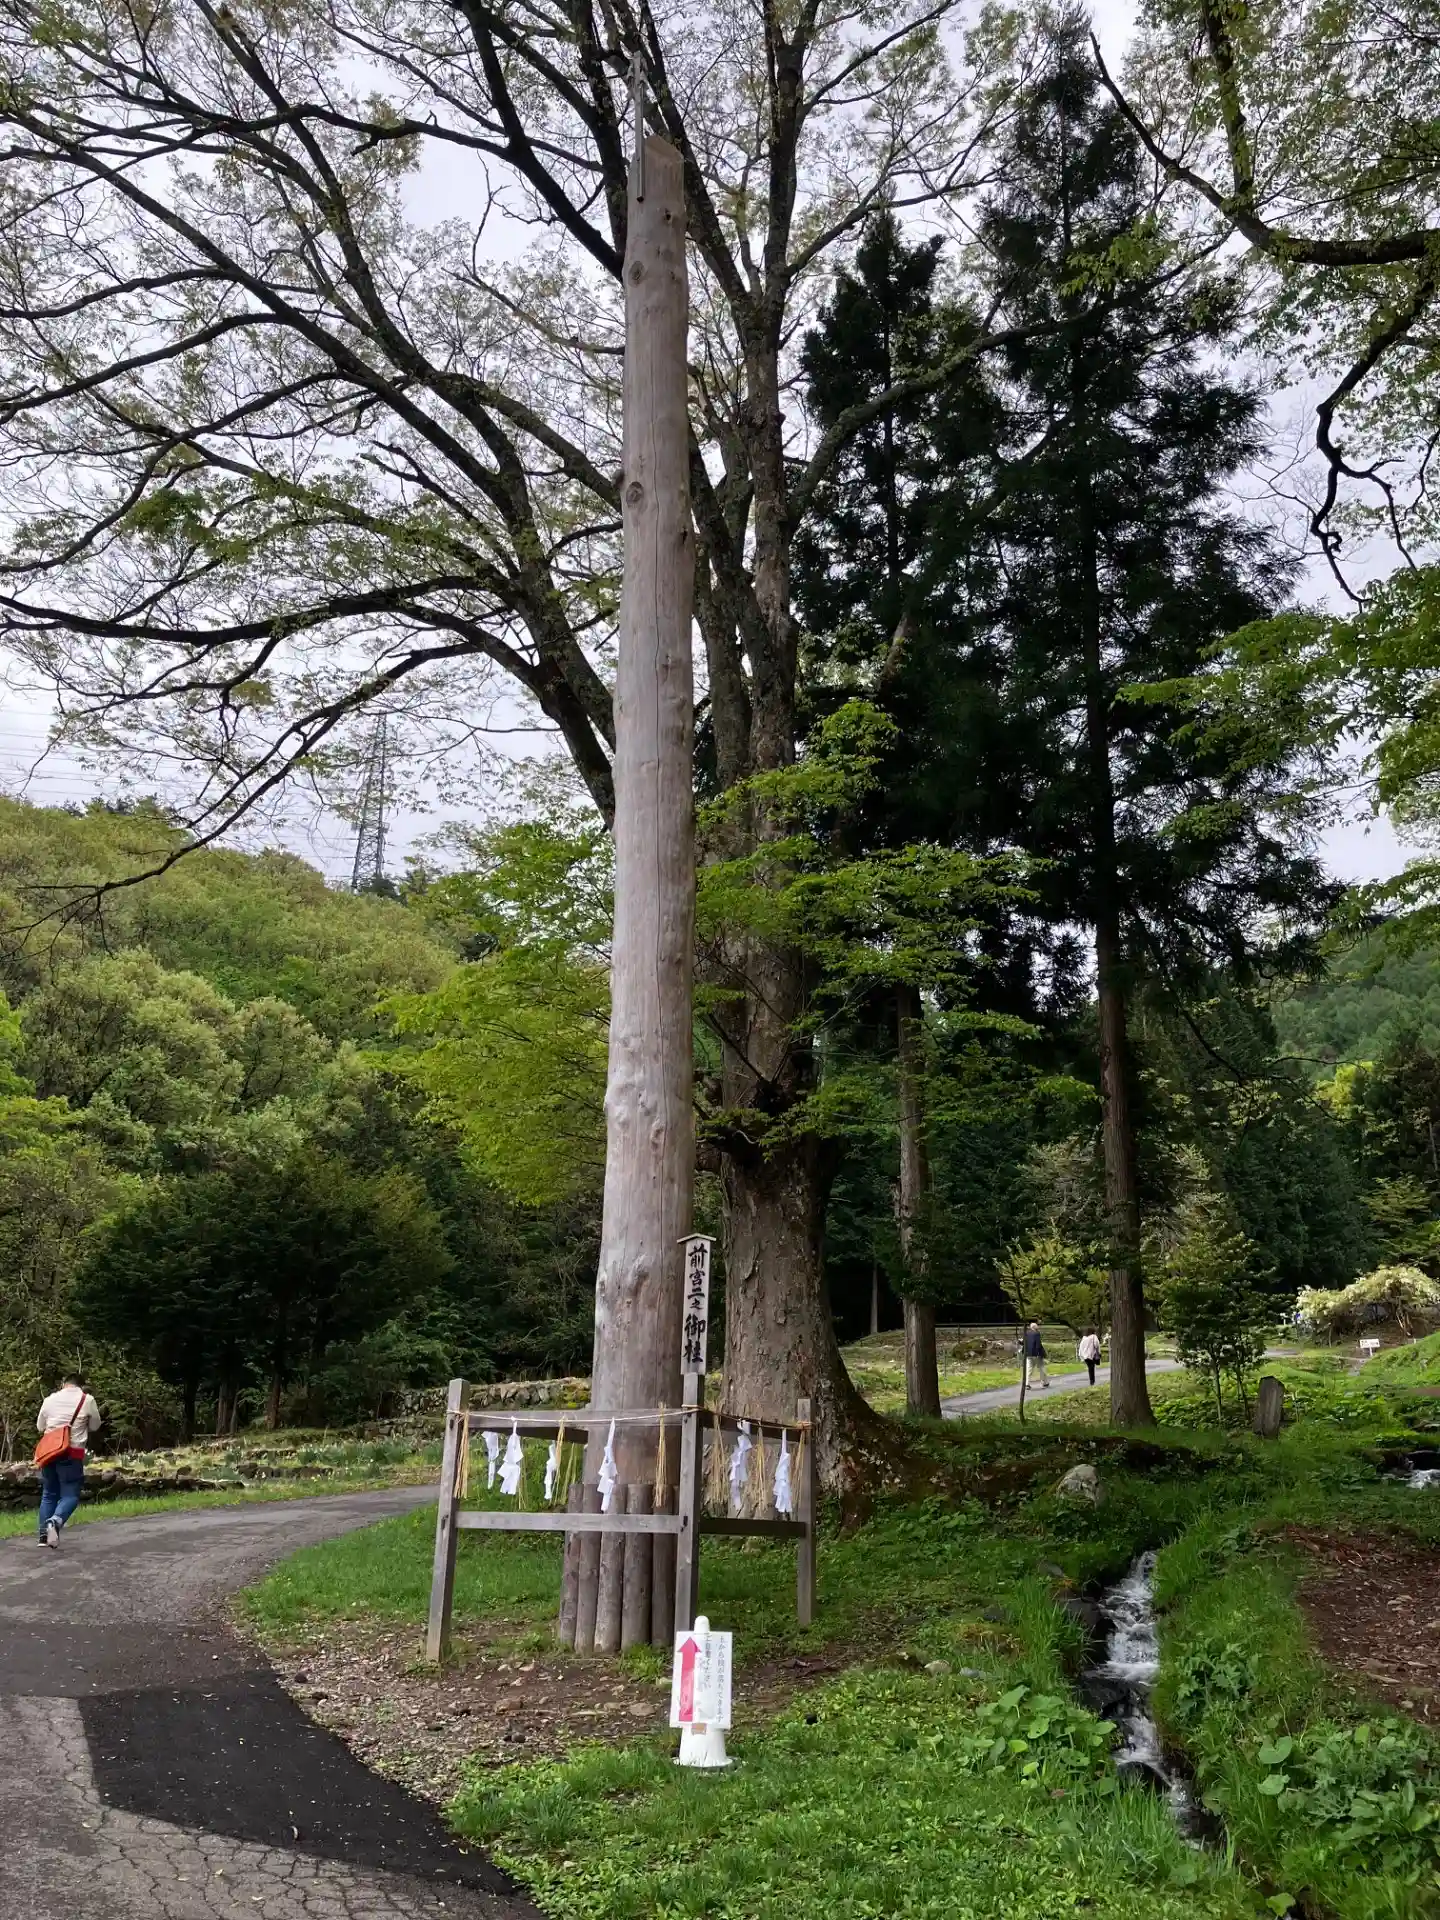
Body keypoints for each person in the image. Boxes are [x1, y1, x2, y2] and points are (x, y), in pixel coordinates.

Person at [35, 1374, 101, 1548]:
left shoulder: (49, 1399)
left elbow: (40, 1427)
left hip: (49, 1452)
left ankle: (43, 1537)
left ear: (64, 1383)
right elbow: (95, 1426)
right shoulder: (87, 1399)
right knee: (70, 1494)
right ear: (82, 1386)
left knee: (49, 1493)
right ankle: (55, 1521)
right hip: (71, 1452)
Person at [1023, 1321, 1049, 1390]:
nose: (1038, 1327)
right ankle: (1045, 1382)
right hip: (1036, 1354)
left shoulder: (1026, 1333)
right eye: (1037, 1326)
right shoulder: (1037, 1333)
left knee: (1029, 1369)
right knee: (1041, 1368)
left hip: (1028, 1354)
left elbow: (1024, 1343)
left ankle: (1027, 1384)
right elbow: (1038, 1344)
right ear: (1035, 1327)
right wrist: (1038, 1353)